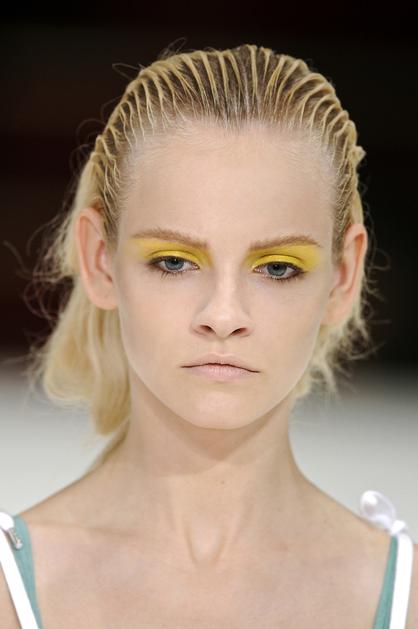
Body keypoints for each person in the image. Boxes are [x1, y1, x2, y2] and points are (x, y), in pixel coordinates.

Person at [0, 42, 416, 628]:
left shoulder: (404, 598)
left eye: (278, 268)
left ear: (343, 275)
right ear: (100, 261)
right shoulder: (12, 589)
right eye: (173, 262)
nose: (223, 315)